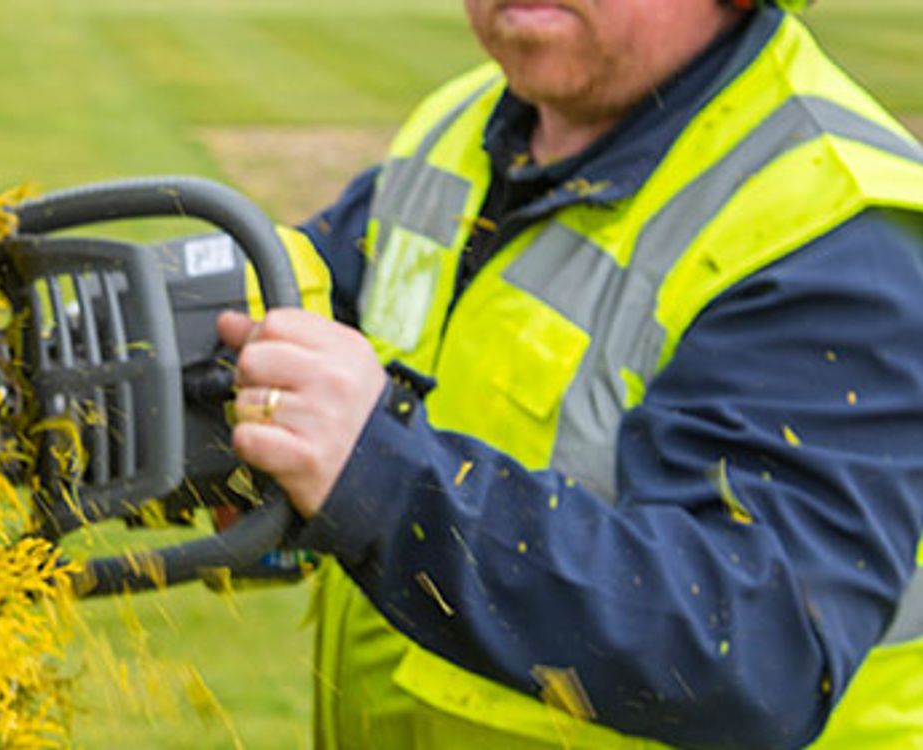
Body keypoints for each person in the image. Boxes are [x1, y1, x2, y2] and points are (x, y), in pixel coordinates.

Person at [215, 0, 923, 746]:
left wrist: (382, 477)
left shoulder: (832, 227)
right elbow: (310, 300)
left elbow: (755, 648)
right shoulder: (462, 125)